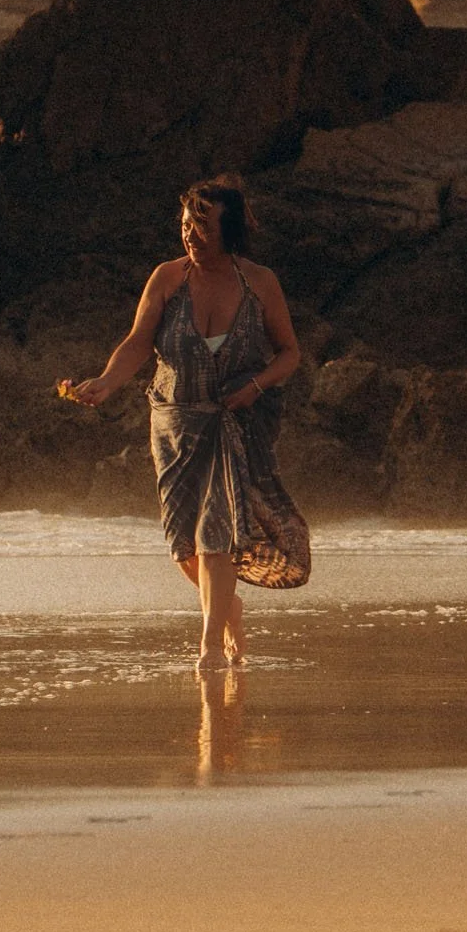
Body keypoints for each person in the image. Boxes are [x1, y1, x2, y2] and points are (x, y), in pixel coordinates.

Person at [63, 177, 311, 669]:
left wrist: (255, 387)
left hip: (233, 421)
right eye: (186, 226)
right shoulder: (167, 278)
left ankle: (209, 647)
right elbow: (138, 342)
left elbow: (289, 353)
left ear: (230, 231)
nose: (191, 237)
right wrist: (108, 381)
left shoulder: (259, 284)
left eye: (203, 229)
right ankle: (227, 609)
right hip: (174, 422)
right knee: (182, 544)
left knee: (217, 532)